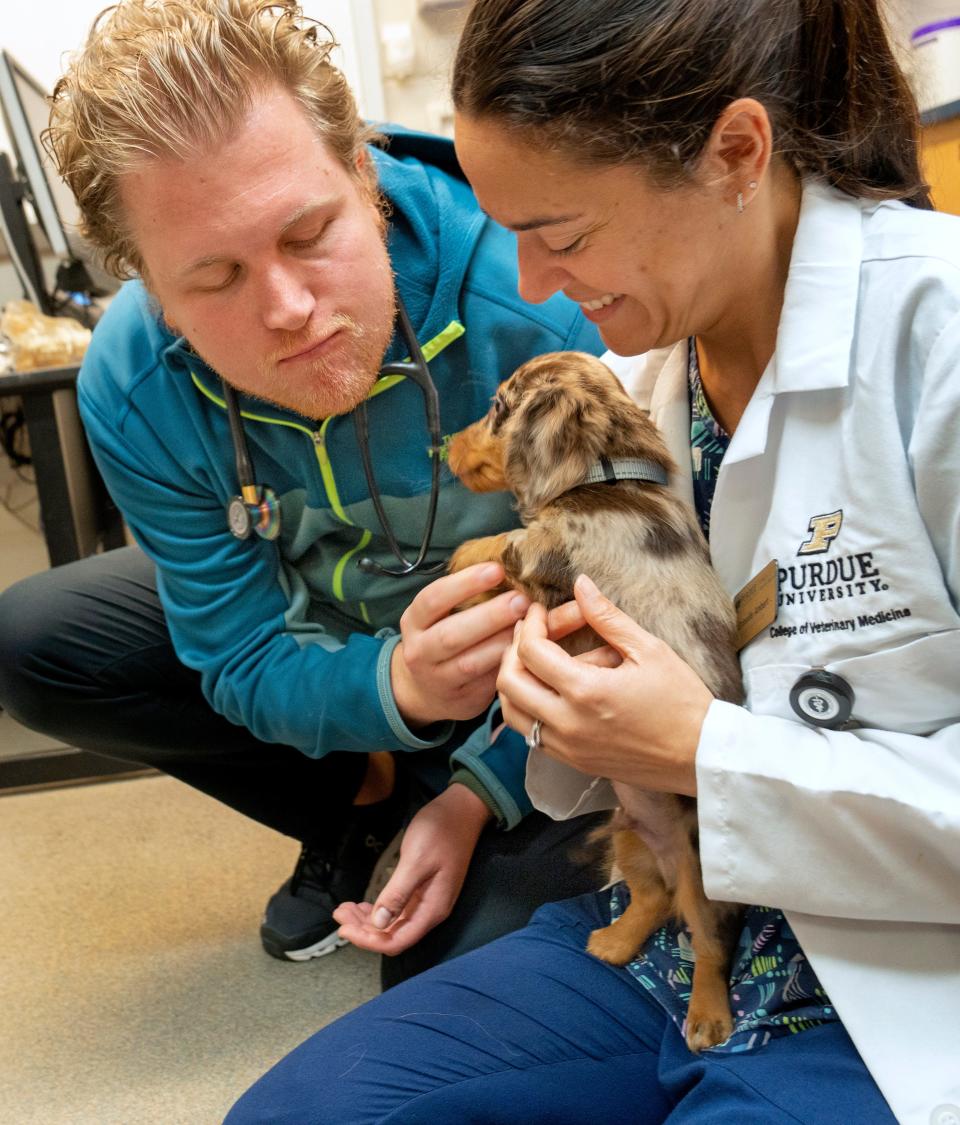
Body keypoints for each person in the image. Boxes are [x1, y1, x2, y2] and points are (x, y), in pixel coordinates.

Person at [224, 0, 960, 1122]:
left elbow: (722, 736)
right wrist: (550, 696)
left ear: (738, 153)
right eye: (508, 229)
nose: (525, 283)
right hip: (682, 923)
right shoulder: (652, 373)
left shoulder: (937, 338)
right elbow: (620, 747)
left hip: (905, 979)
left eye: (561, 235)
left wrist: (705, 747)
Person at [0, 0, 608, 988]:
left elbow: (647, 609)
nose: (287, 312)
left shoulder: (541, 296)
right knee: (38, 642)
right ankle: (357, 802)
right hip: (361, 643)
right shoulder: (130, 382)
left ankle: (435, 790)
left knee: (434, 988)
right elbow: (237, 653)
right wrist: (396, 690)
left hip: (533, 682)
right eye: (215, 275)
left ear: (362, 174)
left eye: (309, 232)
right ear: (148, 285)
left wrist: (479, 791)